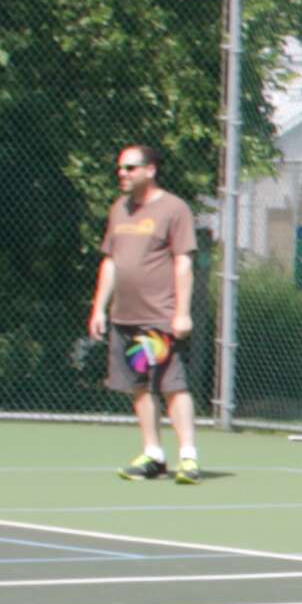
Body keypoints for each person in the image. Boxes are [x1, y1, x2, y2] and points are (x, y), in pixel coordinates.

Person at [84, 142, 199, 482]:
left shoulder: (174, 209)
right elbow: (111, 261)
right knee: (138, 386)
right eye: (120, 168)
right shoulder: (119, 209)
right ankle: (153, 455)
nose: (122, 173)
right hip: (125, 317)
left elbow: (183, 261)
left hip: (157, 318)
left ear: (150, 170)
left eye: (130, 168)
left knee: (170, 385)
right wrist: (99, 309)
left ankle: (188, 458)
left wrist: (182, 312)